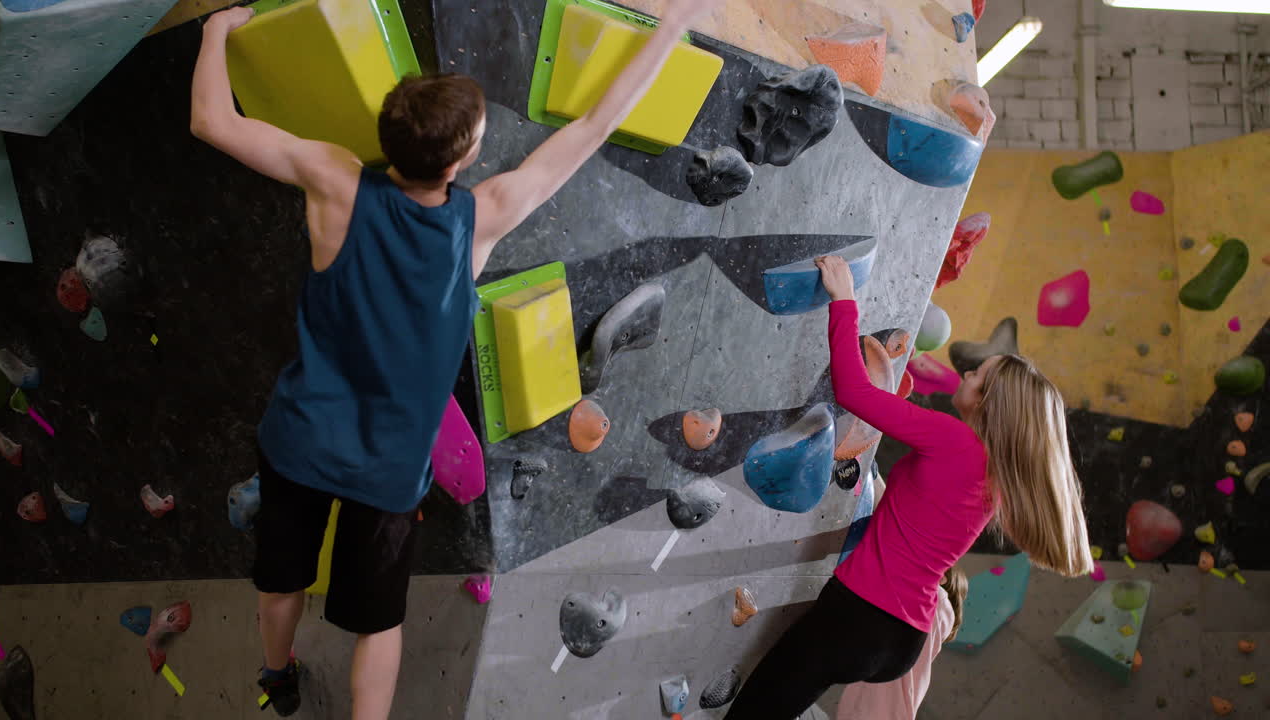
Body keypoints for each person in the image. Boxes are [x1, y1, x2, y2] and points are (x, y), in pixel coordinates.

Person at [189, 1, 720, 717]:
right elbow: (593, 126)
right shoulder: (481, 217)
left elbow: (211, 122)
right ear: (464, 157)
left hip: (300, 440)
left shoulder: (333, 178)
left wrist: (216, 29)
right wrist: (673, 24)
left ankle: (276, 674)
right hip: (389, 471)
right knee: (378, 622)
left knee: (280, 582)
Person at [723, 255, 1093, 719]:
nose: (967, 373)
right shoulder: (997, 477)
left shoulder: (956, 440)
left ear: (989, 401)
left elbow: (855, 393)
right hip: (902, 639)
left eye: (978, 375)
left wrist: (844, 299)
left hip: (859, 616)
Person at [835, 566, 967, 720]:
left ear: (942, 579)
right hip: (871, 705)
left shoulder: (938, 605)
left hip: (881, 708)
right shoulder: (920, 620)